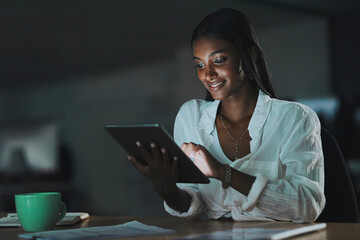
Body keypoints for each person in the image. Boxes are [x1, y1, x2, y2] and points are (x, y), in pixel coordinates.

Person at [128, 8, 325, 222]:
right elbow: (193, 206)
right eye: (200, 65)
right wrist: (165, 188)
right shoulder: (190, 116)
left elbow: (308, 205)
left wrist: (224, 173)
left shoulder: (294, 118)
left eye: (219, 60)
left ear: (249, 55)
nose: (208, 74)